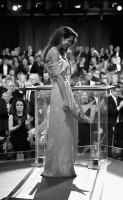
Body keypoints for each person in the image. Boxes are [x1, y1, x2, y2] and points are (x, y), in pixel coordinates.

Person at [41, 26, 81, 177]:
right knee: (60, 129)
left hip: (64, 89)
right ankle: (56, 168)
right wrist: (65, 99)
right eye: (68, 41)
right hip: (60, 92)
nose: (69, 45)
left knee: (66, 130)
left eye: (71, 42)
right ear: (61, 37)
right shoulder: (53, 52)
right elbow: (58, 77)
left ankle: (63, 167)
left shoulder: (59, 52)